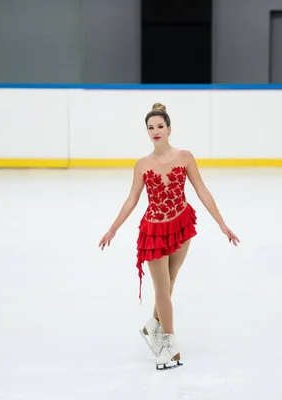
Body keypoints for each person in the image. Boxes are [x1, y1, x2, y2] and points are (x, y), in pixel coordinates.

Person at [98, 102, 240, 370]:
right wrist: (113, 228)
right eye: (150, 128)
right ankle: (169, 344)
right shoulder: (142, 165)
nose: (155, 131)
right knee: (162, 290)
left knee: (170, 282)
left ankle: (151, 326)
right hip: (154, 232)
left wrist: (222, 224)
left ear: (169, 128)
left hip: (181, 224)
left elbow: (202, 190)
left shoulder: (185, 157)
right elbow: (132, 200)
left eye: (160, 126)